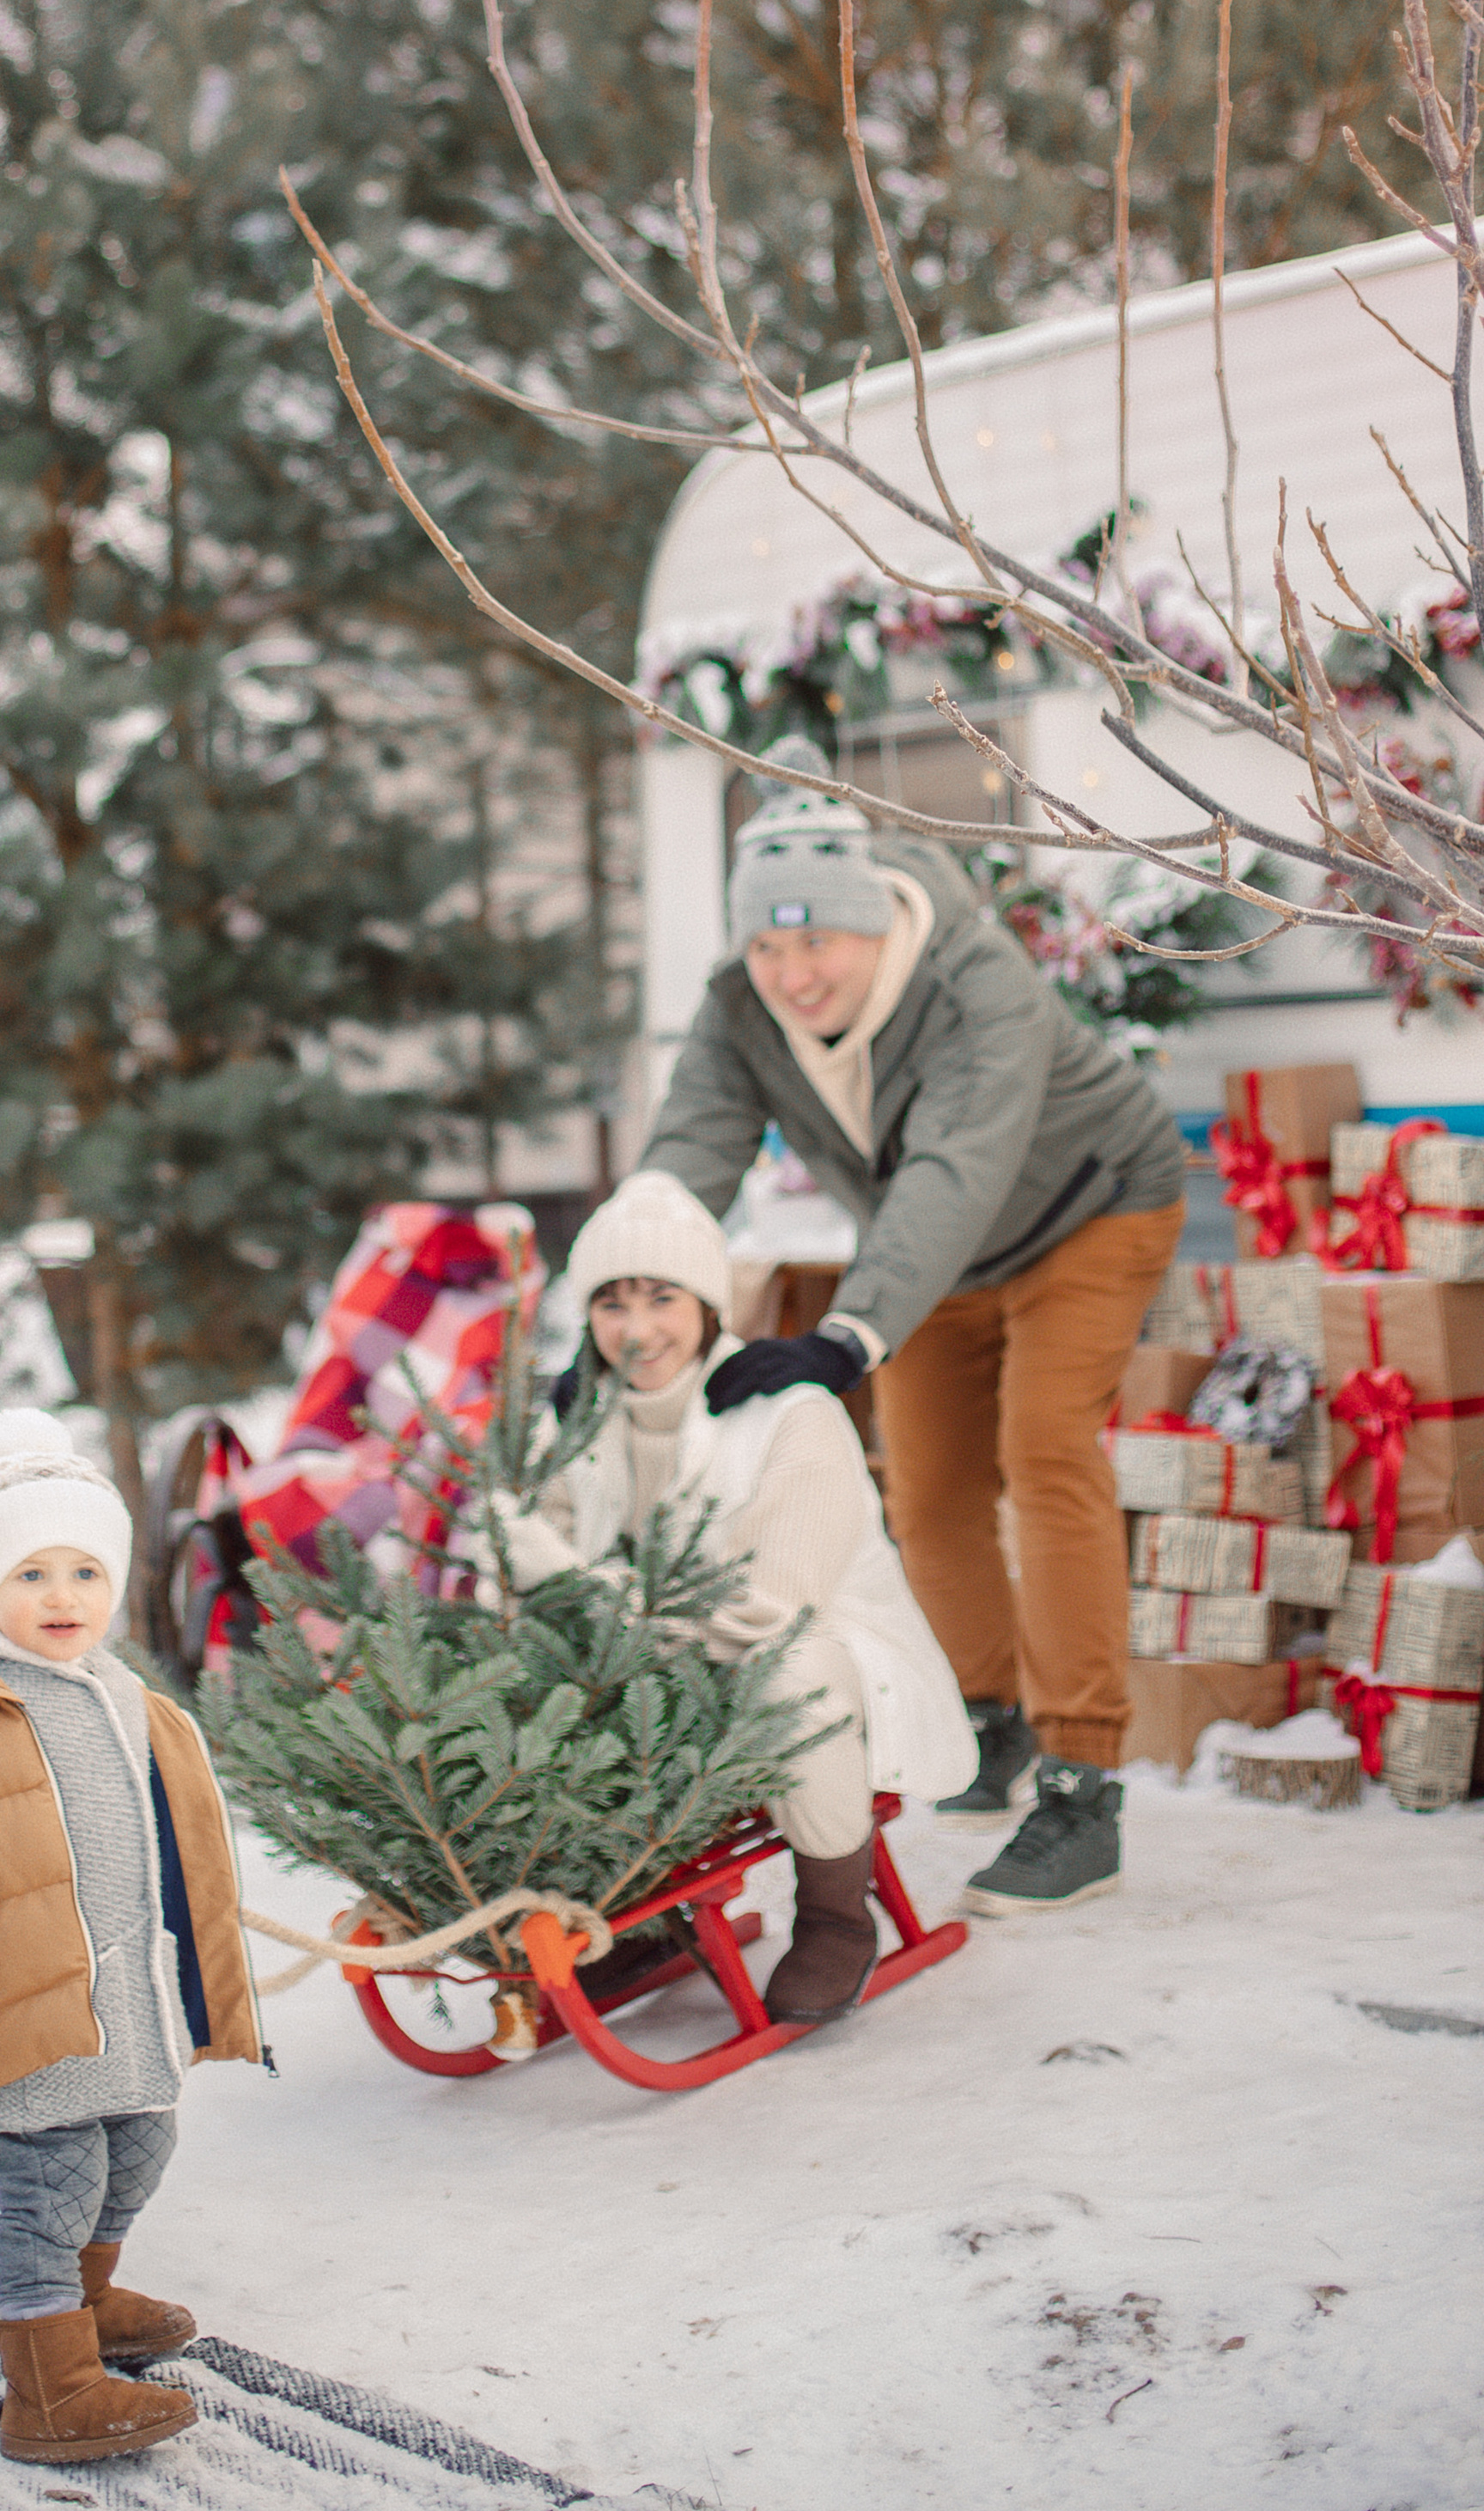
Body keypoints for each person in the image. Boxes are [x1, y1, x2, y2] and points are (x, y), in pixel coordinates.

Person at [641, 759, 1185, 1918]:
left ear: (876, 921)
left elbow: (954, 1168)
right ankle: (993, 1723)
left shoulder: (976, 980)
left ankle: (1084, 1787)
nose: (794, 976)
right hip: (938, 1250)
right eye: (770, 951)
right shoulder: (743, 1006)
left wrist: (846, 1337)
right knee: (929, 1489)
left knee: (1044, 1452)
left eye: (818, 946)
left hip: (1092, 1206)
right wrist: (633, 1289)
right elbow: (690, 1152)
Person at [0, 1412, 262, 2467]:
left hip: (122, 2004)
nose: (62, 1596)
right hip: (21, 2005)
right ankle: (49, 2388)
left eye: (83, 1570)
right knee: (51, 2183)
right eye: (31, 1573)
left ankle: (89, 2298)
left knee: (142, 2144)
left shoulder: (127, 1700)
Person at [507, 1170, 976, 2024]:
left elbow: (766, 1607)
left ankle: (837, 1915)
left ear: (708, 1306)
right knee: (544, 1681)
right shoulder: (576, 1424)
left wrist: (576, 1583)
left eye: (661, 1298)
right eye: (611, 1304)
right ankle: (635, 1914)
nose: (638, 1330)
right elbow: (534, 1582)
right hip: (652, 1656)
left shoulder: (790, 1416)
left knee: (788, 1674)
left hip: (808, 1648)